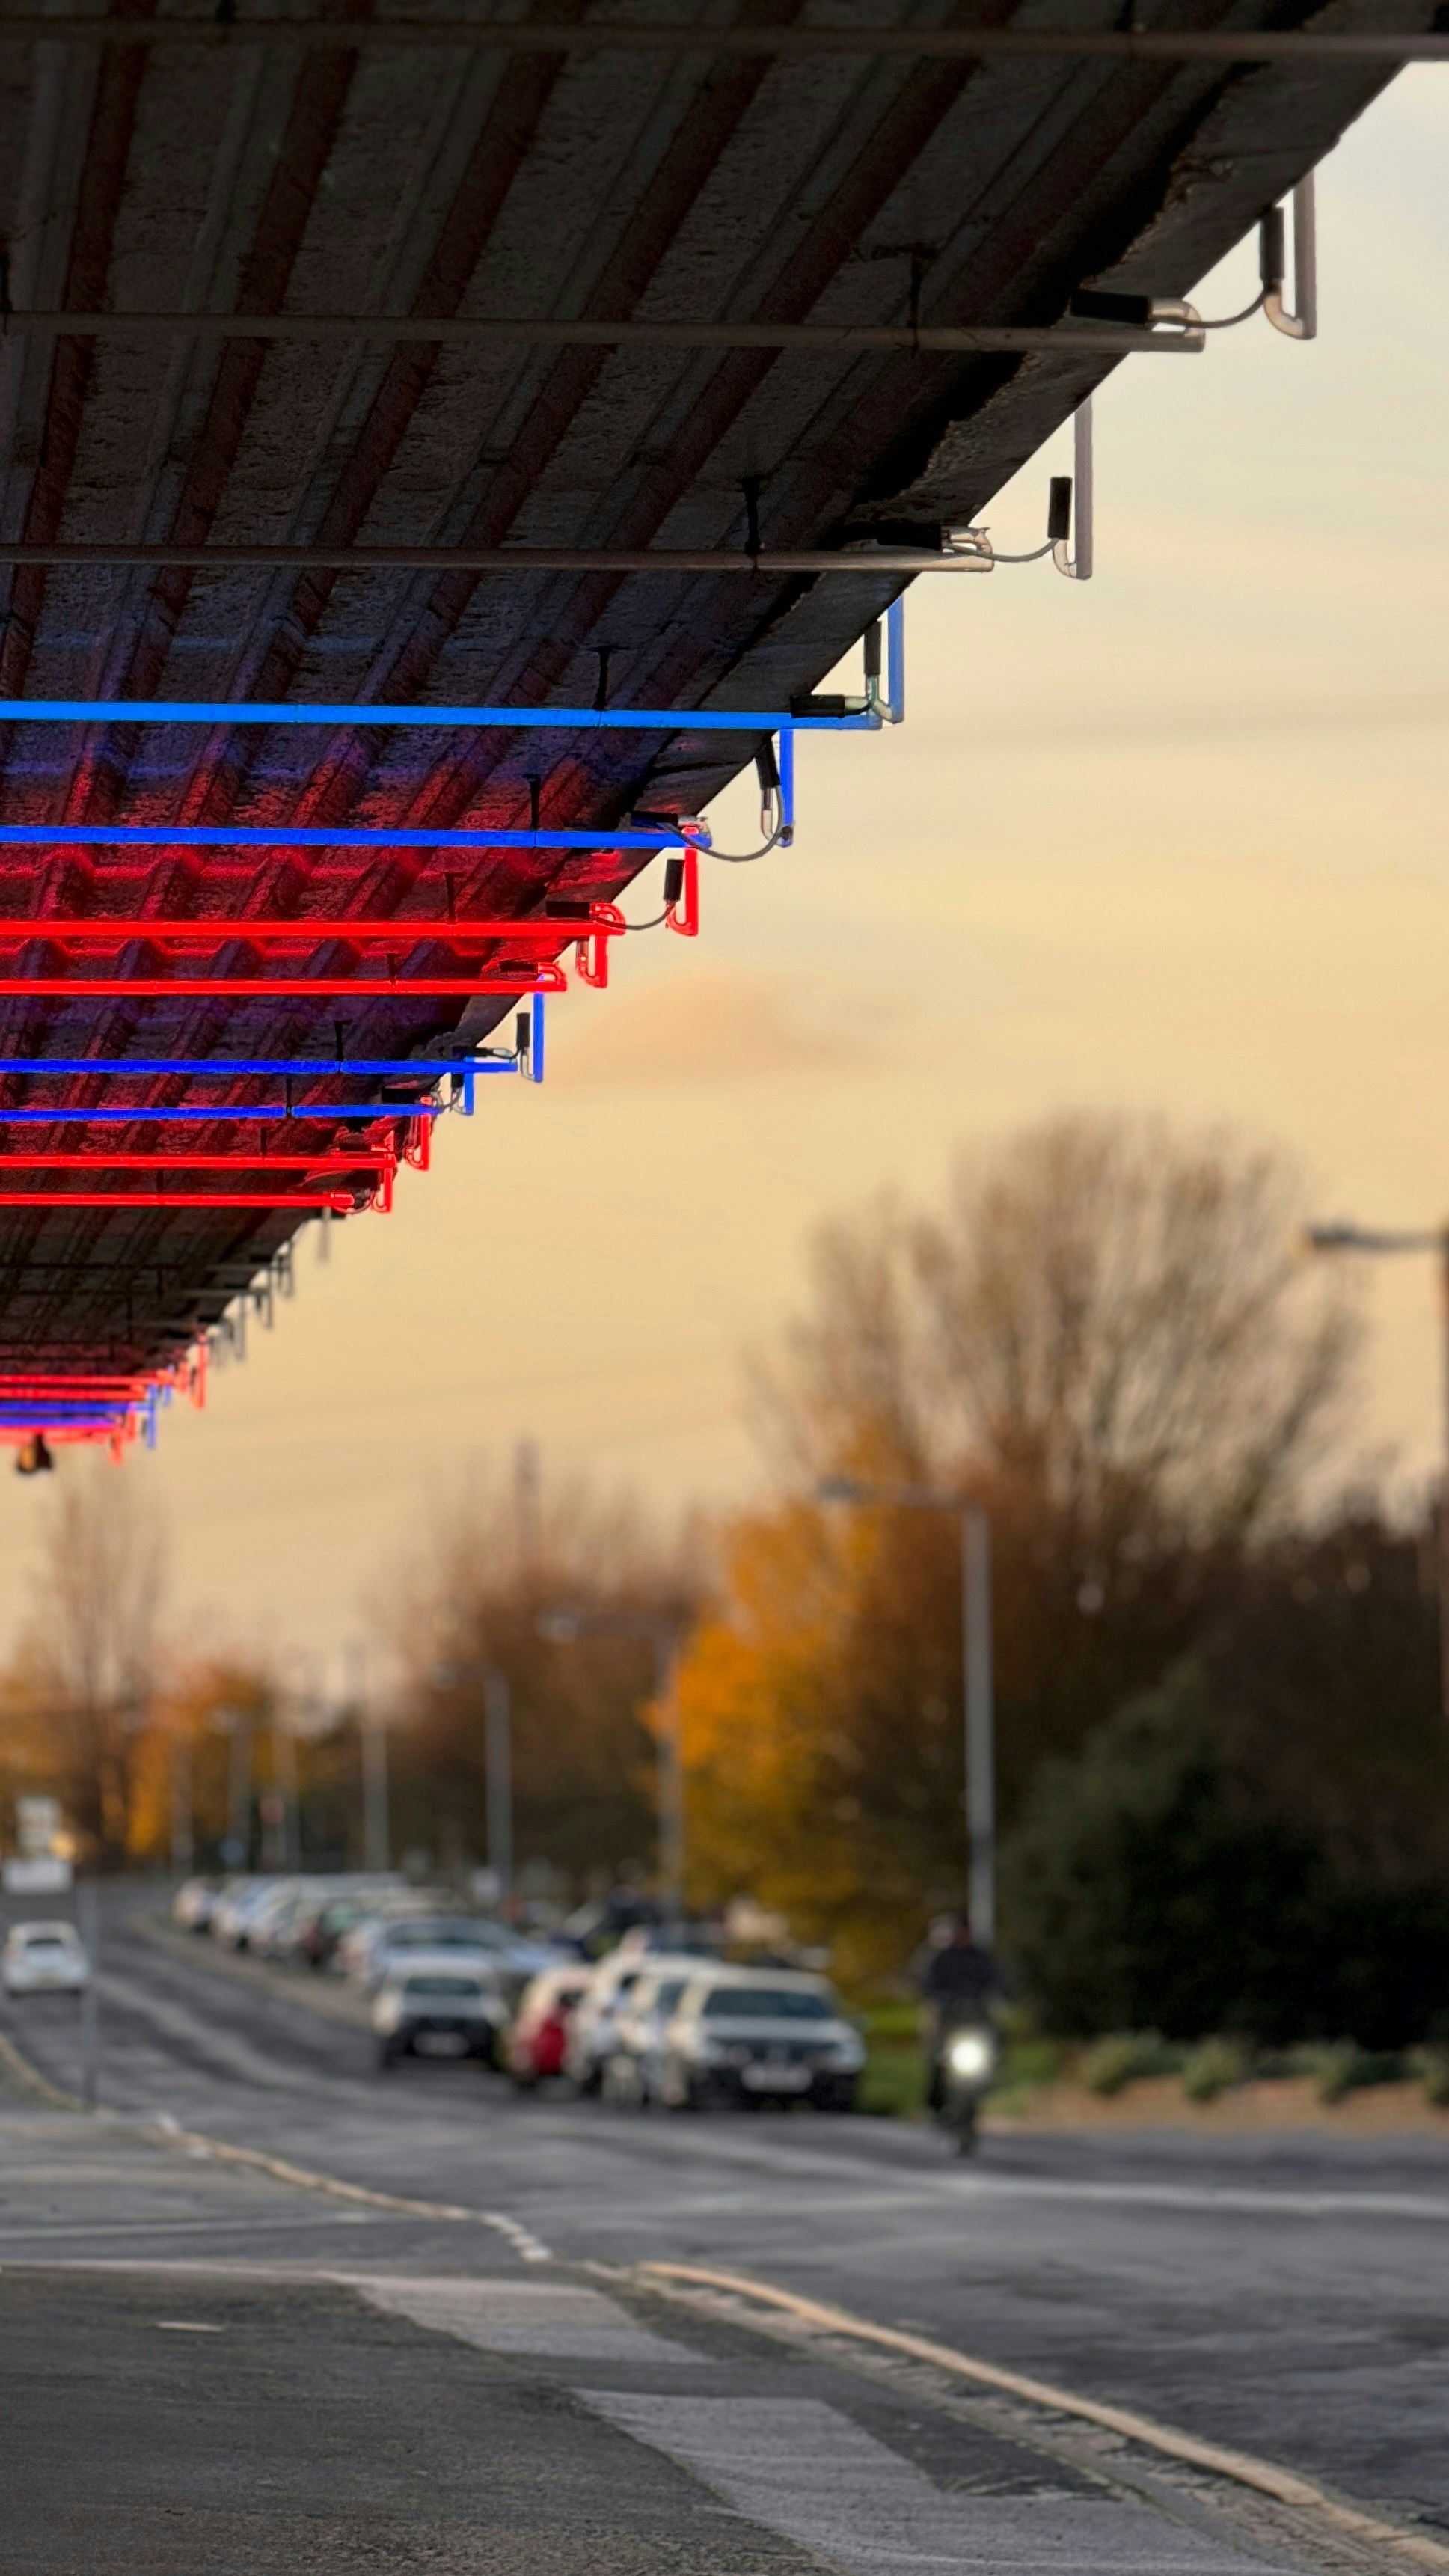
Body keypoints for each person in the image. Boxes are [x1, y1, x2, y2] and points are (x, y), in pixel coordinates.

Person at [916, 1915, 1007, 2110]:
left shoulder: (982, 1958)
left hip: (975, 2019)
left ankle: (993, 2080)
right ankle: (936, 2100)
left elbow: (998, 1981)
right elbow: (929, 1984)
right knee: (937, 2054)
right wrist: (942, 2000)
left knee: (995, 2044)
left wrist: (993, 1996)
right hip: (950, 2019)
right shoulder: (942, 1959)